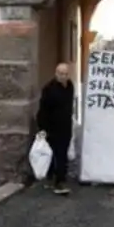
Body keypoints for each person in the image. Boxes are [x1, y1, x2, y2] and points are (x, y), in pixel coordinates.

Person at [36, 62, 74, 195]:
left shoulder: (70, 86)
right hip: (52, 127)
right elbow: (43, 110)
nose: (64, 76)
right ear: (56, 74)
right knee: (59, 155)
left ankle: (51, 177)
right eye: (61, 74)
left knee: (60, 154)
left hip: (66, 126)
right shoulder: (49, 89)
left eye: (66, 74)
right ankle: (59, 182)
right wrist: (42, 128)